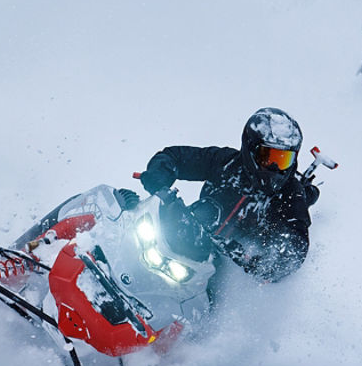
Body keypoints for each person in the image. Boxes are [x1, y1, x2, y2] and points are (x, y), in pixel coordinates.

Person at [137, 107, 320, 283]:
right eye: (269, 157)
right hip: (191, 231)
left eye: (283, 160)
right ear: (250, 148)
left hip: (224, 264)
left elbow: (296, 243)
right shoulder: (225, 162)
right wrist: (159, 179)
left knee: (211, 297)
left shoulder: (290, 194)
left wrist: (266, 263)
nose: (275, 168)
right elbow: (175, 156)